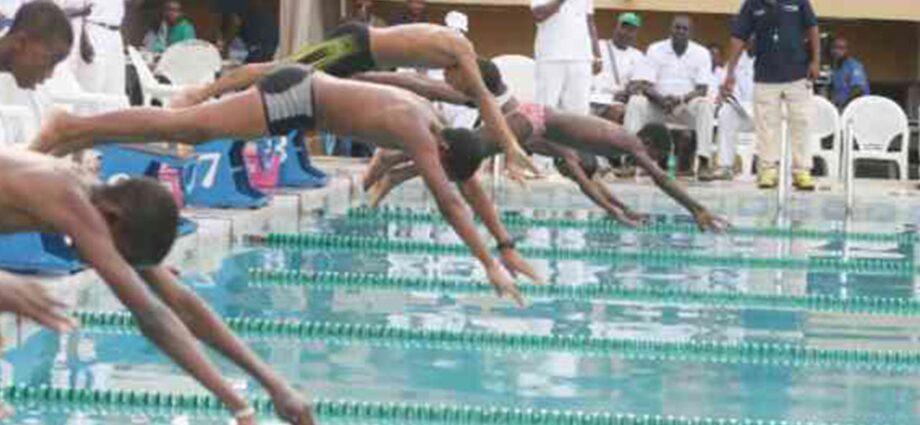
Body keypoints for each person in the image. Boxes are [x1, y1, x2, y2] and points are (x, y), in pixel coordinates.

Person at [0, 4, 315, 424]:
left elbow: (180, 303)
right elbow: (151, 316)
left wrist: (273, 383)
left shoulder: (99, 203)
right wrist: (237, 403)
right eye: (120, 256)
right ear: (112, 219)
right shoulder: (76, 203)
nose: (109, 266)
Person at [31, 64, 544, 306]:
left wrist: (505, 245)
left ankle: (74, 131)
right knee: (189, 128)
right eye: (442, 165)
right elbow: (451, 198)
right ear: (447, 151)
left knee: (189, 131)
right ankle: (69, 128)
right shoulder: (418, 130)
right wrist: (489, 267)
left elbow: (467, 188)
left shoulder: (435, 125)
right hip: (298, 96)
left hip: (303, 102)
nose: (433, 169)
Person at [364, 60, 729, 232]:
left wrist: (619, 211)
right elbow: (662, 181)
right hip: (531, 118)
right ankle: (393, 159)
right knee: (467, 150)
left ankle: (395, 166)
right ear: (649, 143)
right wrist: (696, 208)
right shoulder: (629, 142)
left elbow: (591, 184)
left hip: (533, 121)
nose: (651, 164)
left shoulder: (584, 148)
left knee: (466, 154)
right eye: (655, 157)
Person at [168, 21, 537, 180]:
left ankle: (226, 134)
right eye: (458, 85)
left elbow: (473, 97)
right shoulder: (460, 50)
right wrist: (509, 144)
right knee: (276, 72)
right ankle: (196, 97)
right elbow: (486, 99)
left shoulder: (454, 54)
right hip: (352, 45)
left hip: (359, 57)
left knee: (301, 105)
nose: (451, 85)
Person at [722, 0, 821, 191]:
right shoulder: (752, 4)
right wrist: (730, 72)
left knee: (801, 122)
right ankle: (767, 169)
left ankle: (802, 171)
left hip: (798, 73)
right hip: (765, 75)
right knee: (766, 124)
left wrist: (816, 61)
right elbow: (738, 38)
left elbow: (813, 28)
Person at [625, 15, 715, 180]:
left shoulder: (701, 53)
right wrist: (661, 99)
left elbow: (702, 89)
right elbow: (644, 84)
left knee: (705, 104)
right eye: (677, 27)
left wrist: (680, 100)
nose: (680, 31)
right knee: (635, 102)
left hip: (685, 107)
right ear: (670, 30)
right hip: (658, 106)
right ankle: (630, 159)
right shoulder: (655, 49)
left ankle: (704, 161)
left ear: (691, 33)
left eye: (684, 29)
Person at [531, 0, 601, 115]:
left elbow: (589, 21)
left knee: (580, 112)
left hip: (581, 58)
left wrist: (597, 55)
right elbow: (538, 14)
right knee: (544, 110)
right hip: (551, 58)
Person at [590, 12, 644, 124]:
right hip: (595, 99)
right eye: (624, 28)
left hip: (620, 103)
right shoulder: (599, 46)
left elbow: (638, 82)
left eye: (631, 30)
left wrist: (629, 91)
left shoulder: (638, 56)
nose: (627, 33)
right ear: (616, 28)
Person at [714, 37, 756, 180]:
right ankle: (725, 166)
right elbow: (723, 85)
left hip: (763, 111)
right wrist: (725, 92)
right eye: (750, 38)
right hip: (741, 111)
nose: (753, 41)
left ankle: (769, 168)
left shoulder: (769, 58)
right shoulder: (735, 60)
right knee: (726, 112)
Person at [75, 0, 127, 95]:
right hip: (95, 30)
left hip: (115, 33)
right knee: (92, 86)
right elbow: (79, 10)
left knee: (115, 89)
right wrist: (84, 40)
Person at [830, 36, 869, 109]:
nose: (836, 51)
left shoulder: (854, 65)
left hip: (856, 106)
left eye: (841, 48)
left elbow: (858, 89)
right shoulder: (835, 68)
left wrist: (843, 102)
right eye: (834, 47)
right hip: (839, 106)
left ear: (847, 50)